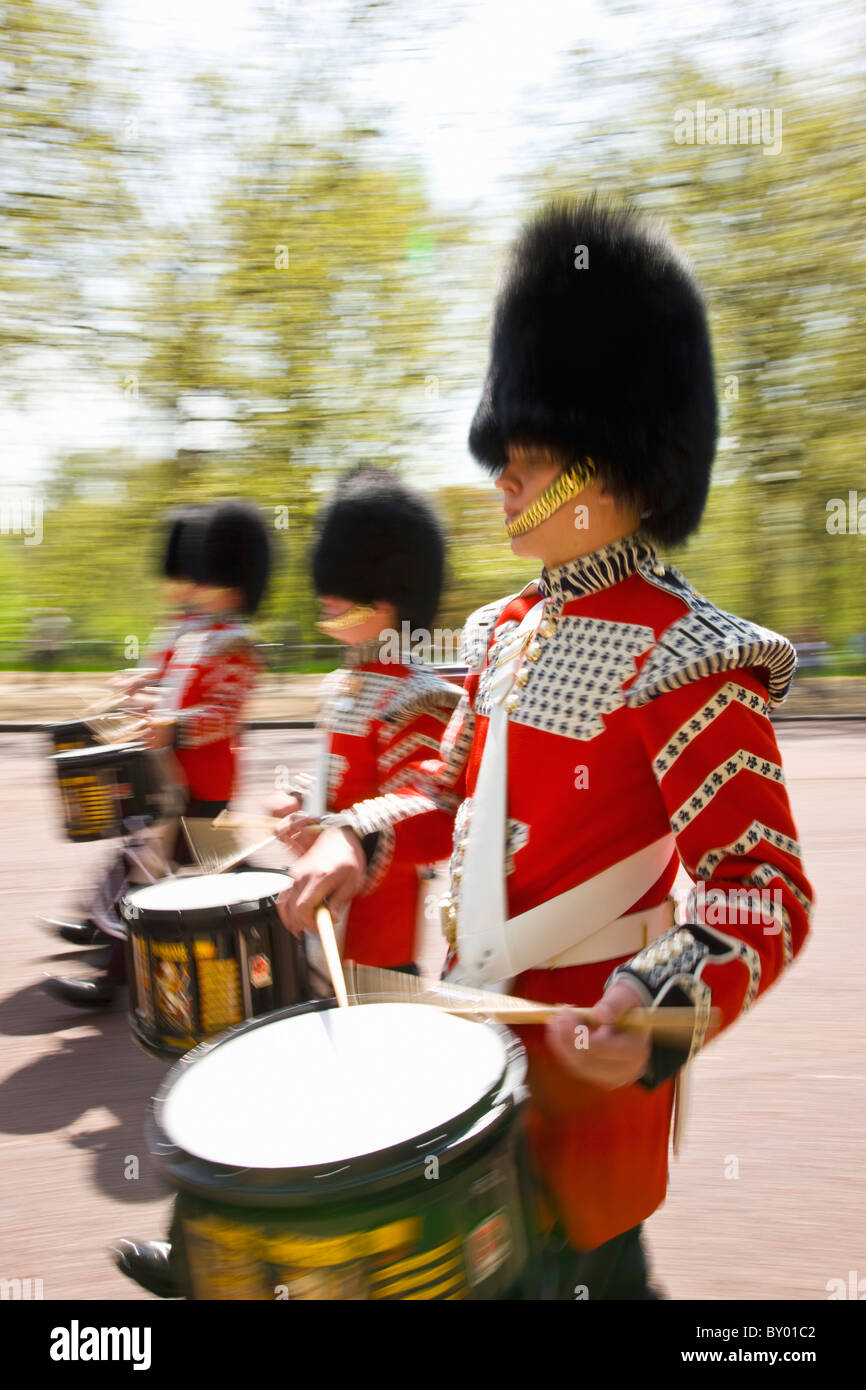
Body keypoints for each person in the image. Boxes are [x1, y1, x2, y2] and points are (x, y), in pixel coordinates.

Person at [277, 198, 814, 1299]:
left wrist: (660, 1000)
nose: (502, 480)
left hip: (586, 1068)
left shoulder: (691, 654)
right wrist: (352, 835)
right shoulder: (500, 633)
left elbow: (758, 886)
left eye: (528, 456)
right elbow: (442, 790)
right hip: (471, 1029)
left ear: (614, 458)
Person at [110, 468, 461, 1298]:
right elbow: (338, 787)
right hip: (311, 926)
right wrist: (304, 807)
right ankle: (206, 1259)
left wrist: (347, 831)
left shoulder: (419, 697)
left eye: (346, 597)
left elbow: (428, 807)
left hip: (376, 961)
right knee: (250, 1093)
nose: (328, 608)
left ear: (390, 597)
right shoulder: (346, 688)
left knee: (373, 1137)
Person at [44, 499, 272, 1009]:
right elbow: (175, 688)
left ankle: (110, 979)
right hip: (176, 777)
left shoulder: (238, 643)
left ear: (231, 585)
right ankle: (281, 932)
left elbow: (223, 715)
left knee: (145, 875)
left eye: (206, 577)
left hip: (204, 781)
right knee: (164, 868)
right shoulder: (200, 635)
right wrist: (143, 688)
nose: (194, 586)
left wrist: (173, 722)